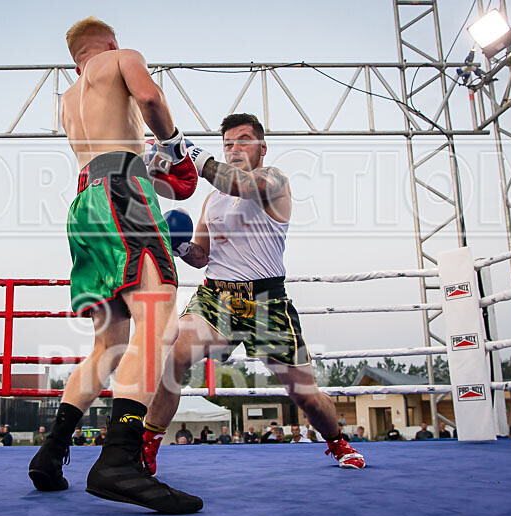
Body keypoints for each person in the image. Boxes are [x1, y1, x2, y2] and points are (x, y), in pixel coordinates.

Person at [27, 16, 202, 514]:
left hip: (85, 205)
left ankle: (51, 452)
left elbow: (111, 150)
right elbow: (151, 100)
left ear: (75, 60)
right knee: (159, 323)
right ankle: (120, 460)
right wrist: (173, 144)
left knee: (109, 344)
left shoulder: (68, 99)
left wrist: (151, 163)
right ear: (110, 43)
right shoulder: (124, 58)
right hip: (124, 196)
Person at [140, 113, 365, 474]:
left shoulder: (274, 181)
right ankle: (146, 449)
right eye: (228, 143)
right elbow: (202, 256)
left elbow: (239, 185)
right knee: (174, 354)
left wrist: (193, 155)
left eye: (243, 140)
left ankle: (337, 441)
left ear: (262, 147)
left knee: (305, 396)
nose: (234, 148)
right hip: (216, 297)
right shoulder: (212, 200)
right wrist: (180, 246)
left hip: (267, 302)